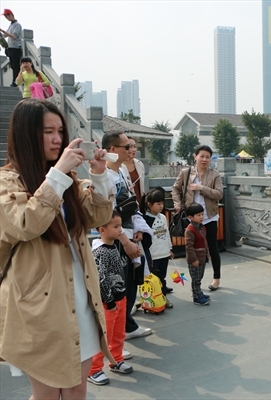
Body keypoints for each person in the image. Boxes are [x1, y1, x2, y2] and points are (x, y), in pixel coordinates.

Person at [0, 99, 115, 398]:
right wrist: (58, 174)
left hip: (80, 294)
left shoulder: (67, 179)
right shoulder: (7, 181)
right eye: (47, 131)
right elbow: (26, 223)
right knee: (47, 394)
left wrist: (99, 175)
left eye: (60, 131)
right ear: (26, 134)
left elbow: (96, 217)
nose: (57, 139)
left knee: (77, 390)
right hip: (41, 303)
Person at [102, 131, 153, 340]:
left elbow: (131, 203)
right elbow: (108, 216)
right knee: (118, 287)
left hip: (130, 232)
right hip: (116, 239)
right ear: (113, 149)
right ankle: (116, 337)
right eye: (127, 146)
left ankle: (127, 327)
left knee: (132, 282)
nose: (131, 150)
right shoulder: (104, 177)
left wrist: (139, 229)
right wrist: (125, 242)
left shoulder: (122, 170)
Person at [88, 211, 134, 386]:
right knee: (104, 336)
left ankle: (116, 360)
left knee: (118, 334)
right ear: (102, 230)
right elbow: (100, 278)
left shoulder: (114, 246)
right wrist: (109, 301)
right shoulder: (99, 251)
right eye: (116, 226)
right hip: (109, 303)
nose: (120, 230)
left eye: (120, 225)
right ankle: (94, 370)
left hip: (120, 298)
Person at [172, 145, 223, 291]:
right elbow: (175, 188)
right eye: (202, 156)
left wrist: (202, 188)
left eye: (208, 157)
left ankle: (216, 278)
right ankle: (196, 281)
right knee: (192, 248)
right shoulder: (186, 172)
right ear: (195, 157)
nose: (204, 159)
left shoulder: (214, 174)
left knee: (212, 247)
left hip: (209, 217)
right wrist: (177, 204)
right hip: (192, 218)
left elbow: (219, 194)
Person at [142, 188, 175, 308]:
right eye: (158, 204)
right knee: (154, 279)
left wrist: (169, 248)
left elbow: (167, 233)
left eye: (162, 203)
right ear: (149, 204)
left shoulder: (163, 217)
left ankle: (163, 299)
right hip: (153, 255)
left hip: (164, 253)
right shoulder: (144, 220)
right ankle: (152, 300)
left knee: (162, 278)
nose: (161, 206)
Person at [184, 202, 211, 306]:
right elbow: (189, 247)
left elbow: (204, 243)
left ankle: (199, 292)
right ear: (190, 217)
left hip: (202, 257)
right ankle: (196, 297)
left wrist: (207, 255)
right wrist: (194, 260)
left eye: (202, 214)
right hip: (194, 259)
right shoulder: (190, 230)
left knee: (200, 276)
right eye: (198, 215)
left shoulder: (202, 227)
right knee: (195, 279)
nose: (201, 217)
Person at [0, 9, 22, 87]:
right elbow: (5, 35)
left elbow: (14, 36)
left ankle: (16, 82)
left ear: (11, 15)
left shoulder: (17, 25)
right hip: (10, 47)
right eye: (5, 17)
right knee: (13, 65)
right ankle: (15, 81)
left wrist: (3, 31)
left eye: (7, 16)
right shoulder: (11, 25)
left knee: (16, 66)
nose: (7, 18)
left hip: (16, 47)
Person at [122, 136, 145, 205]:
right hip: (127, 204)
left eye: (135, 146)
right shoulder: (119, 167)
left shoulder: (139, 164)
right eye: (130, 147)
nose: (134, 149)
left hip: (141, 203)